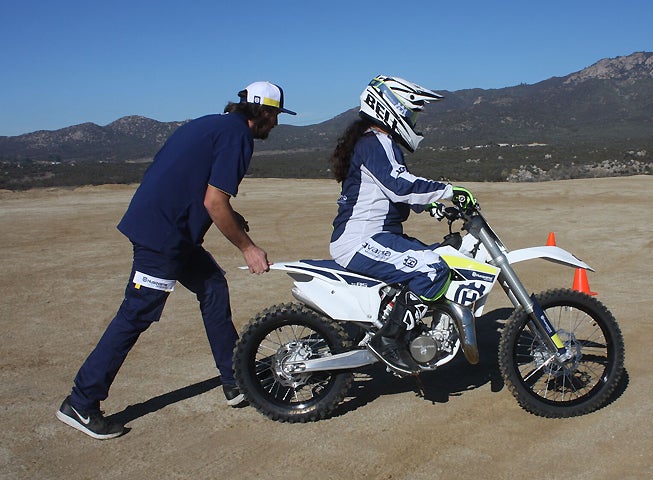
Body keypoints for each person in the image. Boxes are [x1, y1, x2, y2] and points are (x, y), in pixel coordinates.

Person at [55, 81, 296, 440]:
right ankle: (82, 401)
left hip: (171, 231)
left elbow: (196, 184)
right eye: (275, 115)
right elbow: (214, 203)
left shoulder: (212, 124)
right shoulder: (238, 138)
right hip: (164, 236)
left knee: (212, 286)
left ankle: (235, 381)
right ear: (262, 112)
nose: (275, 124)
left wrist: (233, 215)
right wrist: (248, 247)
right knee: (137, 312)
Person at [329, 75, 476, 376]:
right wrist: (450, 191)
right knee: (431, 268)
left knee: (439, 256)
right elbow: (398, 185)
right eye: (410, 113)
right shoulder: (377, 141)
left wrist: (433, 206)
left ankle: (406, 329)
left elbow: (392, 192)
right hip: (362, 240)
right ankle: (389, 341)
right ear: (389, 109)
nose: (413, 120)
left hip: (374, 237)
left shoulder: (375, 142)